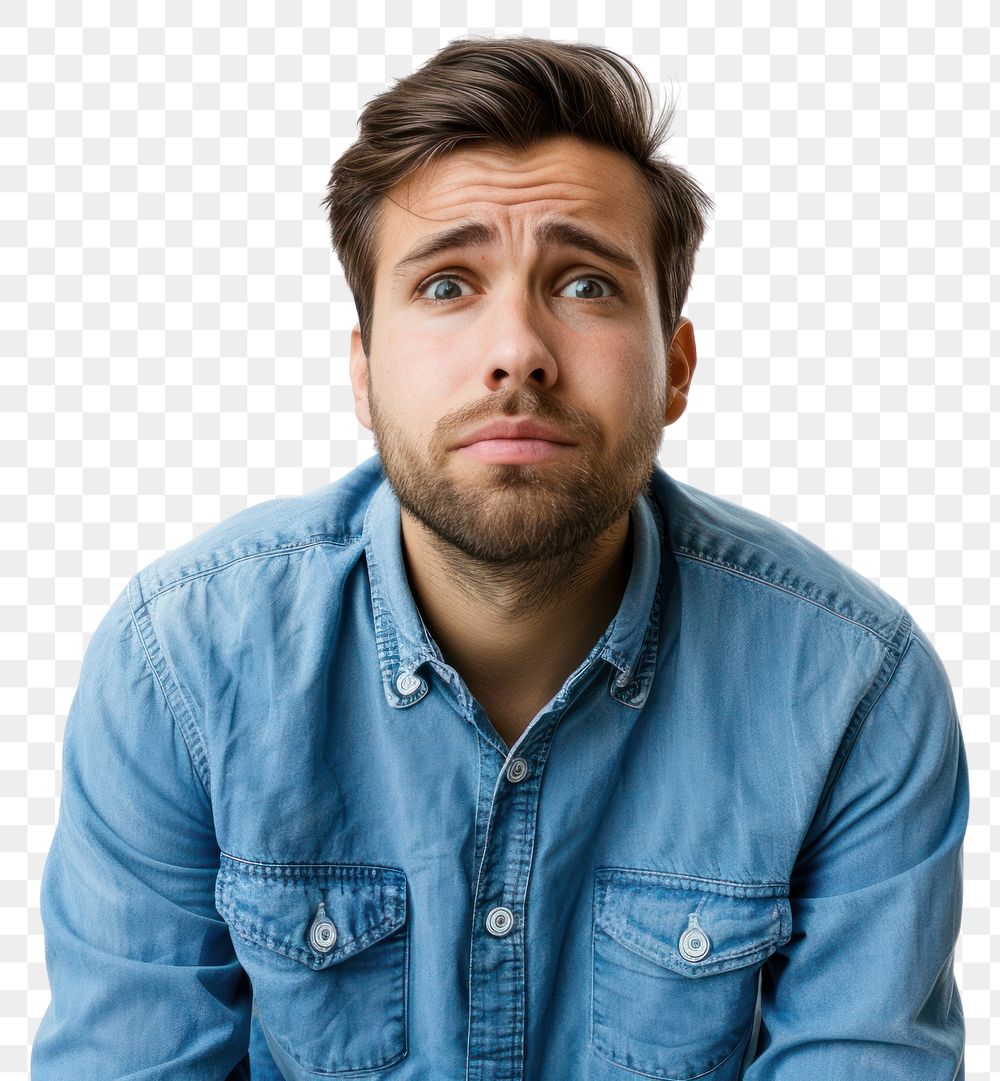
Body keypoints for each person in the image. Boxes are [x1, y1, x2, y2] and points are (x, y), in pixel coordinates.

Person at [32, 34, 968, 1081]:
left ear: (676, 368)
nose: (516, 348)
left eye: (584, 285)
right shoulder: (182, 667)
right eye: (444, 286)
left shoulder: (852, 688)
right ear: (363, 371)